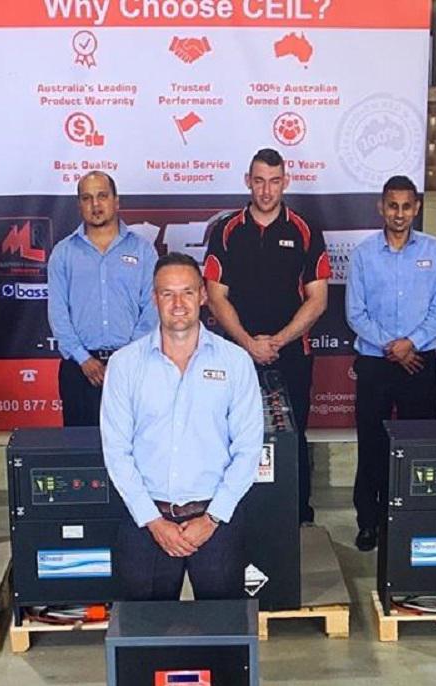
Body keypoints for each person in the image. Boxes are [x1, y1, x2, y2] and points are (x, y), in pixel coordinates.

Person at [100, 252, 263, 601]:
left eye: (187, 292)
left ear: (203, 295)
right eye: (167, 294)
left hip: (216, 521)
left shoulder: (235, 362)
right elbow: (116, 451)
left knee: (224, 625)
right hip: (146, 522)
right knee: (145, 627)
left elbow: (248, 450)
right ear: (154, 298)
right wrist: (153, 521)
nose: (178, 304)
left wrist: (213, 518)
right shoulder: (124, 365)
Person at [205, 148, 330, 525]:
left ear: (285, 182)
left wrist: (277, 342)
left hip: (291, 354)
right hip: (235, 354)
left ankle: (298, 515)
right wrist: (248, 343)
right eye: (259, 181)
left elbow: (318, 299)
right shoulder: (226, 230)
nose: (266, 190)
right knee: (232, 436)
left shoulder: (305, 230)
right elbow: (215, 296)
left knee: (292, 436)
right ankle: (233, 513)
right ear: (248, 181)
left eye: (274, 182)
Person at [345, 176, 436, 551]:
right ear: (381, 207)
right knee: (372, 447)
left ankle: (414, 522)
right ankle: (369, 523)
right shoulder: (363, 255)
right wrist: (393, 347)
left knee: (418, 447)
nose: (399, 213)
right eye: (393, 205)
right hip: (375, 365)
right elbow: (355, 313)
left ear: (417, 208)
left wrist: (412, 344)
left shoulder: (435, 252)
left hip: (420, 364)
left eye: (407, 206)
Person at [47, 171, 158, 426]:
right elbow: (58, 312)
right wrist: (83, 359)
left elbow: (152, 309)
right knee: (80, 447)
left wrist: (124, 360)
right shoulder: (63, 253)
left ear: (116, 201)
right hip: (80, 370)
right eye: (87, 198)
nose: (95, 205)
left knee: (135, 443)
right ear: (79, 205)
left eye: (102, 196)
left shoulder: (143, 250)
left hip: (133, 367)